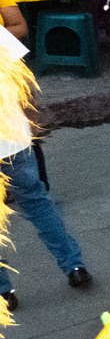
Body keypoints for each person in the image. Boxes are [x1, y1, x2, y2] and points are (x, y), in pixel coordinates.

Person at [0, 23, 91, 311]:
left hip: (13, 139)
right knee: (39, 204)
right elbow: (24, 81)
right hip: (13, 139)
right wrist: (30, 120)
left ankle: (4, 292)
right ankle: (74, 266)